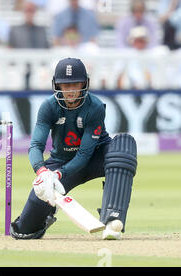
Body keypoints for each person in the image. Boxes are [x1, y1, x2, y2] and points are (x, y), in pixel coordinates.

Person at [10, 57, 137, 240]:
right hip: (61, 161)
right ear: (57, 85)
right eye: (65, 85)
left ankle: (112, 221)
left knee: (123, 146)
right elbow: (36, 145)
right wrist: (43, 171)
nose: (70, 90)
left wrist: (58, 174)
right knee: (24, 231)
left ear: (84, 83)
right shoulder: (48, 106)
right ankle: (37, 222)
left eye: (75, 84)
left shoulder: (95, 107)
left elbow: (84, 154)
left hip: (97, 157)